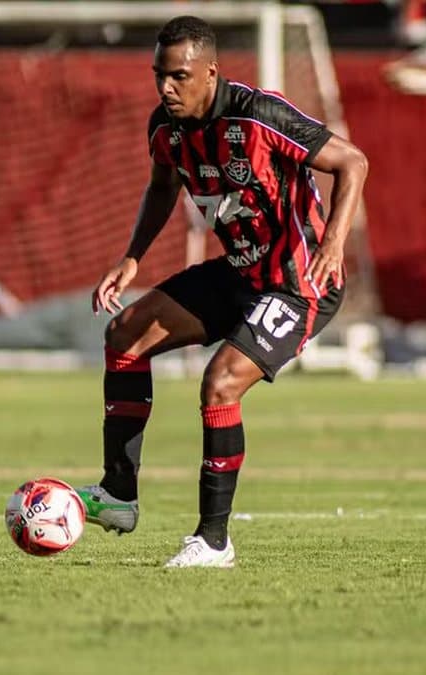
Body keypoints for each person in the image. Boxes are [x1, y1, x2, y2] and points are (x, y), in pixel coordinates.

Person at [76, 16, 368, 568]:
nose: (166, 88)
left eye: (179, 76)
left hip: (298, 284)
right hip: (238, 273)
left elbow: (353, 162)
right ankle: (118, 495)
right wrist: (132, 257)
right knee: (125, 334)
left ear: (210, 73)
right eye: (159, 75)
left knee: (220, 383)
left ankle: (213, 541)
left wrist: (333, 245)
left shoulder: (260, 115)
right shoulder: (165, 128)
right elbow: (162, 186)